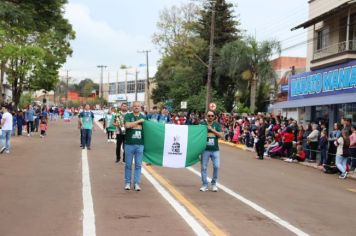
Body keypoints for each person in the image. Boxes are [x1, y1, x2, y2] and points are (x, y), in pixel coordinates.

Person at [124, 101, 146, 191]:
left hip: (140, 145)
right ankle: (128, 183)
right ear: (132, 107)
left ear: (140, 107)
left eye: (138, 106)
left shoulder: (144, 117)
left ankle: (136, 183)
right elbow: (127, 125)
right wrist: (138, 121)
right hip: (129, 144)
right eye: (135, 106)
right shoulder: (128, 116)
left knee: (138, 165)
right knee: (128, 165)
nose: (136, 107)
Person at [200, 111, 223, 192]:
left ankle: (213, 184)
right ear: (206, 116)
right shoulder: (202, 124)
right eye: (209, 115)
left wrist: (212, 130)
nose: (210, 117)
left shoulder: (217, 125)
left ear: (214, 116)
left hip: (215, 150)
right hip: (205, 150)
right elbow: (197, 135)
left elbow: (221, 136)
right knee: (203, 167)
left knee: (216, 166)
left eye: (212, 116)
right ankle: (204, 184)